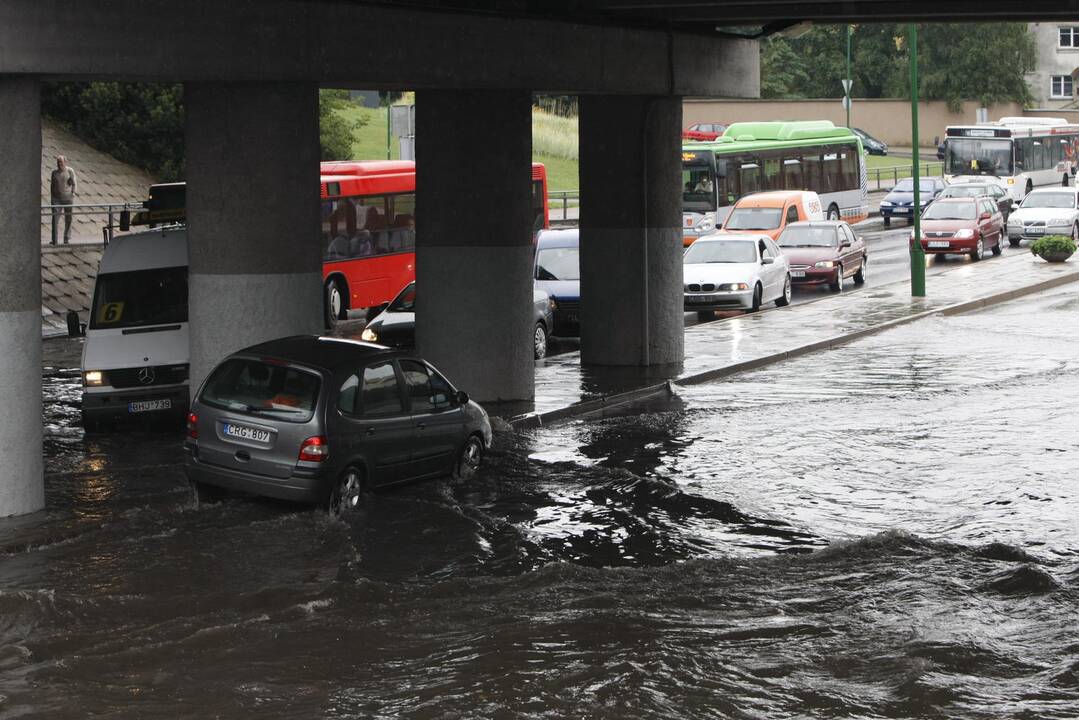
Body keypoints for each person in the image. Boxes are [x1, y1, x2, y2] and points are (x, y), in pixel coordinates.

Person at [50, 155, 78, 245]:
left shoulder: (70, 171)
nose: (59, 164)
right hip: (56, 199)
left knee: (68, 219)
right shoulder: (54, 173)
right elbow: (52, 186)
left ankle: (66, 238)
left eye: (61, 162)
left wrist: (73, 193)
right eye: (58, 162)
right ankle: (54, 240)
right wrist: (52, 198)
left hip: (68, 198)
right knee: (55, 219)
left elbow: (74, 183)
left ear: (65, 162)